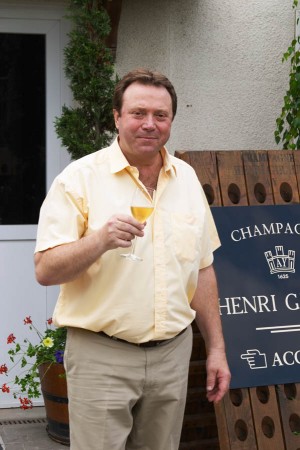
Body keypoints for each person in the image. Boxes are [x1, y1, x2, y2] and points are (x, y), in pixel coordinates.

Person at [34, 68, 231, 450]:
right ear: (116, 117)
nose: (149, 124)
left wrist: (217, 349)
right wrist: (100, 241)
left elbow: (202, 269)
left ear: (171, 120)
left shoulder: (186, 179)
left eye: (161, 115)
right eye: (138, 113)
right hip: (101, 356)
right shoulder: (79, 179)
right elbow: (45, 269)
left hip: (172, 355)